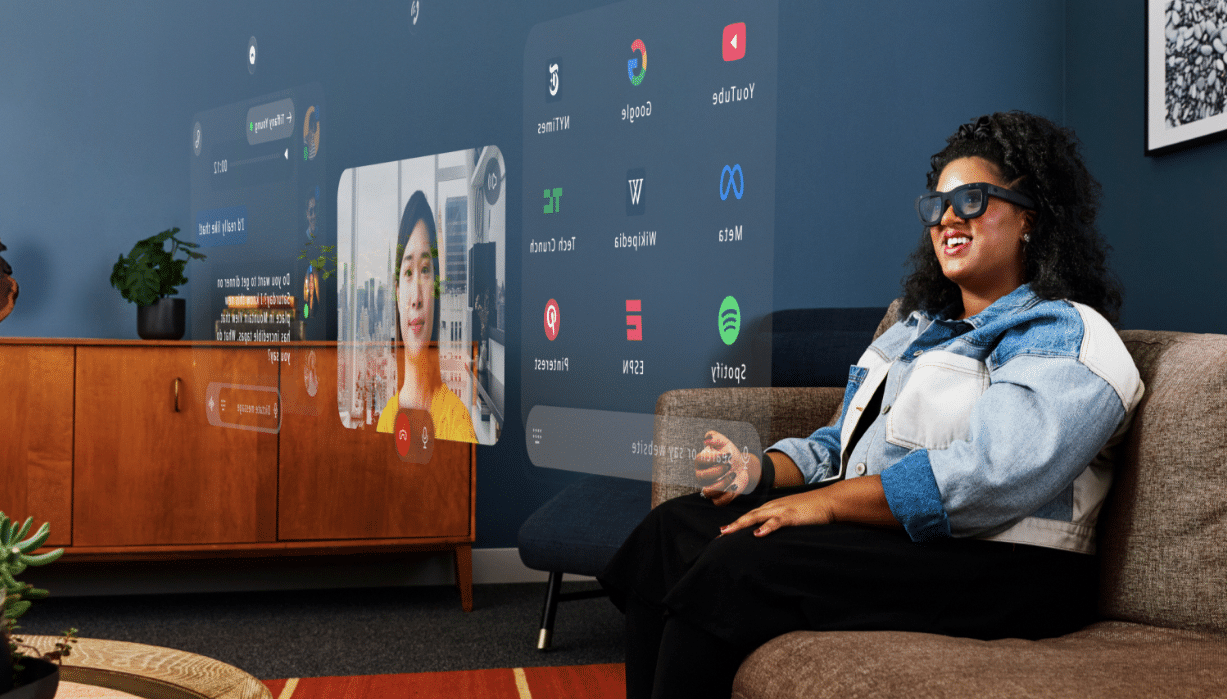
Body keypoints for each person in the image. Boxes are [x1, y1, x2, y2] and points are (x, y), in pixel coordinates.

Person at [599, 111, 1145, 699]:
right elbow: (837, 444)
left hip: (1006, 564)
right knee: (669, 533)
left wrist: (828, 504)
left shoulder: (1064, 333)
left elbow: (992, 477)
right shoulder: (911, 331)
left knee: (740, 563)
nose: (948, 219)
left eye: (972, 199)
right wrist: (757, 471)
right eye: (937, 206)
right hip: (900, 538)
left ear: (1029, 217)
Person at [376, 190, 477, 444]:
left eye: (425, 270)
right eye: (408, 272)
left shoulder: (458, 425)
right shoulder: (385, 421)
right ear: (397, 293)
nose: (416, 298)